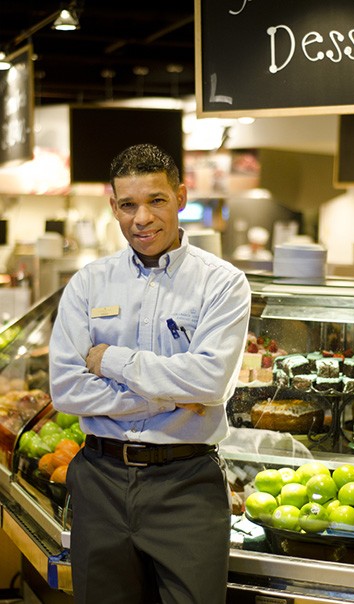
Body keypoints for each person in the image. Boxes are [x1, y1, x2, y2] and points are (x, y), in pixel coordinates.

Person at [49, 143, 251, 604]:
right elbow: (67, 390)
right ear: (113, 207)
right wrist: (170, 395)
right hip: (98, 480)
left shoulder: (222, 283)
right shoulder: (88, 283)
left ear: (180, 196)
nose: (142, 218)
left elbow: (209, 382)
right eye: (128, 205)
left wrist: (112, 361)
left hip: (187, 485)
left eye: (156, 200)